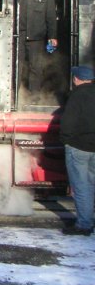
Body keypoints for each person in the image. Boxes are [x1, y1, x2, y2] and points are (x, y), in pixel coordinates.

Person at [60, 65, 95, 235]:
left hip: (78, 147)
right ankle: (87, 219)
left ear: (76, 79)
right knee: (91, 185)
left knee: (81, 187)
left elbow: (68, 121)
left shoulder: (77, 95)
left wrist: (66, 140)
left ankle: (84, 224)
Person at [17, 0, 57, 93]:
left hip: (37, 36)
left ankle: (34, 95)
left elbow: (51, 16)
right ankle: (15, 92)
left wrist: (52, 36)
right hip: (18, 35)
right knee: (17, 65)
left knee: (36, 67)